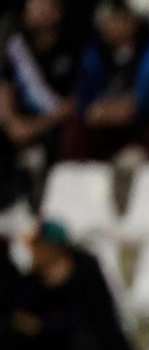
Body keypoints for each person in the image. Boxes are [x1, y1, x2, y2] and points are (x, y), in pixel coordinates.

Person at [13, 221, 133, 350]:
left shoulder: (86, 270)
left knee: (85, 339)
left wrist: (44, 324)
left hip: (93, 344)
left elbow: (93, 313)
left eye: (37, 245)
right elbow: (23, 312)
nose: (33, 251)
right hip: (51, 342)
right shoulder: (34, 278)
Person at [61, 0, 149, 162]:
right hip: (103, 124)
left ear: (134, 22)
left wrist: (134, 109)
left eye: (123, 20)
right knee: (75, 131)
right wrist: (97, 111)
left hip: (140, 123)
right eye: (112, 21)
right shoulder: (92, 56)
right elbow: (83, 96)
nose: (118, 27)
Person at [0, 0, 80, 205]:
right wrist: (12, 124)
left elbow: (73, 103)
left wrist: (35, 127)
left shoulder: (72, 47)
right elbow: (4, 88)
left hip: (55, 124)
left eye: (47, 6)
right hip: (21, 125)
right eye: (35, 5)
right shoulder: (15, 46)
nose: (41, 11)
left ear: (59, 11)